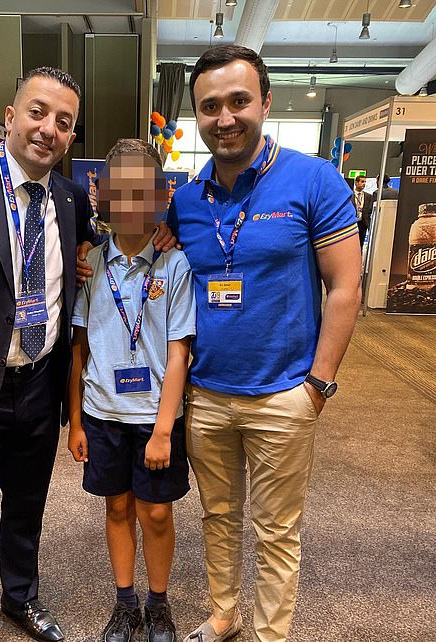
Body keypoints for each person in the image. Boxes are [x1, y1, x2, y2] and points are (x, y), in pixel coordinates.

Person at [0, 67, 174, 642]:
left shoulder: (69, 198)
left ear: (72, 137)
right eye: (39, 112)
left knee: (27, 505)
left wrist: (169, 236)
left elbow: (123, 236)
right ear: (12, 114)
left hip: (41, 384)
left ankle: (21, 599)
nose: (49, 129)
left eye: (64, 122)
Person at [166, 45, 362, 642]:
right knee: (218, 518)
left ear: (265, 102)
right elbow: (161, 273)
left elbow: (346, 285)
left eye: (238, 101)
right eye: (209, 107)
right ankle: (224, 612)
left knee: (277, 529)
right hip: (207, 394)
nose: (224, 118)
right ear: (196, 116)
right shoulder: (187, 199)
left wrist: (318, 384)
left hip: (285, 393)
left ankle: (271, 633)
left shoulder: (313, 180)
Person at [68, 139, 195, 642]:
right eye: (118, 192)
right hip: (103, 414)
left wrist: (164, 430)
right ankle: (125, 603)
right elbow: (79, 348)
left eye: (141, 192)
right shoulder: (90, 265)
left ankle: (158, 603)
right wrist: (76, 421)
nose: (129, 204)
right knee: (116, 506)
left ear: (161, 196)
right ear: (99, 196)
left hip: (155, 417)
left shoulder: (174, 265)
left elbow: (179, 352)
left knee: (156, 512)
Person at [351, 175, 372, 246]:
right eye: (362, 181)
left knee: (361, 244)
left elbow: (370, 210)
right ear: (356, 183)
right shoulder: (350, 195)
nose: (364, 184)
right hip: (352, 222)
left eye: (365, 182)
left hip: (363, 223)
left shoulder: (368, 196)